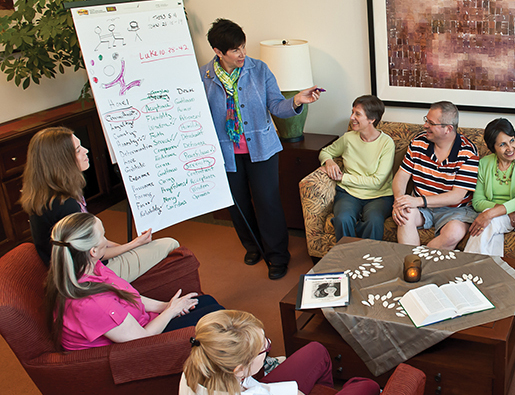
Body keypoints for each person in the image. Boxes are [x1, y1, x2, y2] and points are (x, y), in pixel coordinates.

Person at [200, 18, 321, 280]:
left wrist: (297, 100)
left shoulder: (259, 69)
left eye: (243, 46)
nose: (242, 53)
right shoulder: (204, 77)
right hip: (226, 152)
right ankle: (253, 246)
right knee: (238, 204)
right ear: (218, 52)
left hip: (262, 149)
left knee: (268, 203)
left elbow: (276, 105)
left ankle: (277, 256)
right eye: (235, 50)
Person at [20, 126, 179, 282]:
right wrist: (133, 245)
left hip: (78, 269)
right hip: (89, 276)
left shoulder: (51, 195)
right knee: (170, 244)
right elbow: (95, 253)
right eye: (77, 150)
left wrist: (129, 247)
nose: (86, 151)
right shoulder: (65, 206)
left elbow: (93, 242)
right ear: (61, 161)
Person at [46, 212, 223, 351]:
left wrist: (165, 306)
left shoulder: (91, 267)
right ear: (92, 251)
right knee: (219, 321)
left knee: (207, 302)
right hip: (139, 346)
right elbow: (142, 340)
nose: (106, 241)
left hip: (141, 323)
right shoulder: (91, 303)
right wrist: (171, 311)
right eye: (103, 236)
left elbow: (128, 295)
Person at [181, 310, 380, 395]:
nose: (270, 344)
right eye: (264, 349)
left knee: (316, 351)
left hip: (252, 385)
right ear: (239, 369)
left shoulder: (201, 358)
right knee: (366, 386)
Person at [392, 101, 479, 250]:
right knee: (404, 217)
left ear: (448, 129)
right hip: (421, 207)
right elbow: (401, 176)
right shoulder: (419, 142)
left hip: (454, 210)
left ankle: (418, 263)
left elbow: (456, 196)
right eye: (426, 120)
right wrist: (400, 201)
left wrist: (418, 201)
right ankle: (411, 264)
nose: (425, 126)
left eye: (431, 123)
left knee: (453, 234)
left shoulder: (467, 152)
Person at [319, 95, 395, 241]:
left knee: (374, 221)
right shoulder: (348, 138)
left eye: (357, 114)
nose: (351, 117)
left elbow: (377, 182)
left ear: (371, 119)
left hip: (379, 196)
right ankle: (348, 260)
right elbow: (325, 151)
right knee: (343, 219)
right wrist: (329, 161)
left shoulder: (386, 143)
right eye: (352, 112)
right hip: (349, 193)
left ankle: (368, 261)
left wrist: (343, 177)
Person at [465, 118, 515, 256]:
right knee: (492, 230)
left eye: (512, 140)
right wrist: (503, 211)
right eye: (503, 144)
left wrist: (489, 213)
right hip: (502, 214)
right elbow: (478, 201)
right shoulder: (484, 163)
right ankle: (492, 274)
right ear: (493, 147)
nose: (510, 148)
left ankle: (466, 266)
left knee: (489, 222)